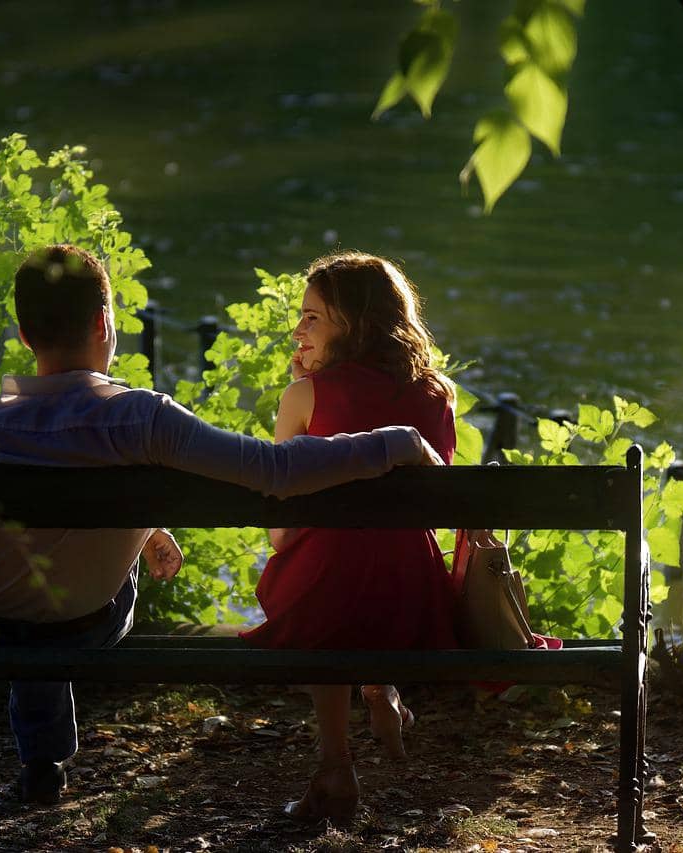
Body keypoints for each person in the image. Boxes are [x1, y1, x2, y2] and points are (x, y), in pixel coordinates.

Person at [0, 244, 443, 806]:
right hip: (84, 621)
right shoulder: (141, 418)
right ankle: (33, 735)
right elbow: (277, 470)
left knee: (15, 570)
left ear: (25, 335)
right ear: (106, 323)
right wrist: (395, 441)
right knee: (51, 599)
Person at [239, 251, 459, 823]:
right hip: (412, 597)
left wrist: (305, 393)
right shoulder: (437, 395)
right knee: (373, 558)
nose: (297, 330)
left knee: (319, 573)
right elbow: (428, 508)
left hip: (326, 598)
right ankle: (381, 689)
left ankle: (335, 763)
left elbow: (281, 537)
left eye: (312, 317)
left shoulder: (304, 397)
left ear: (354, 323)